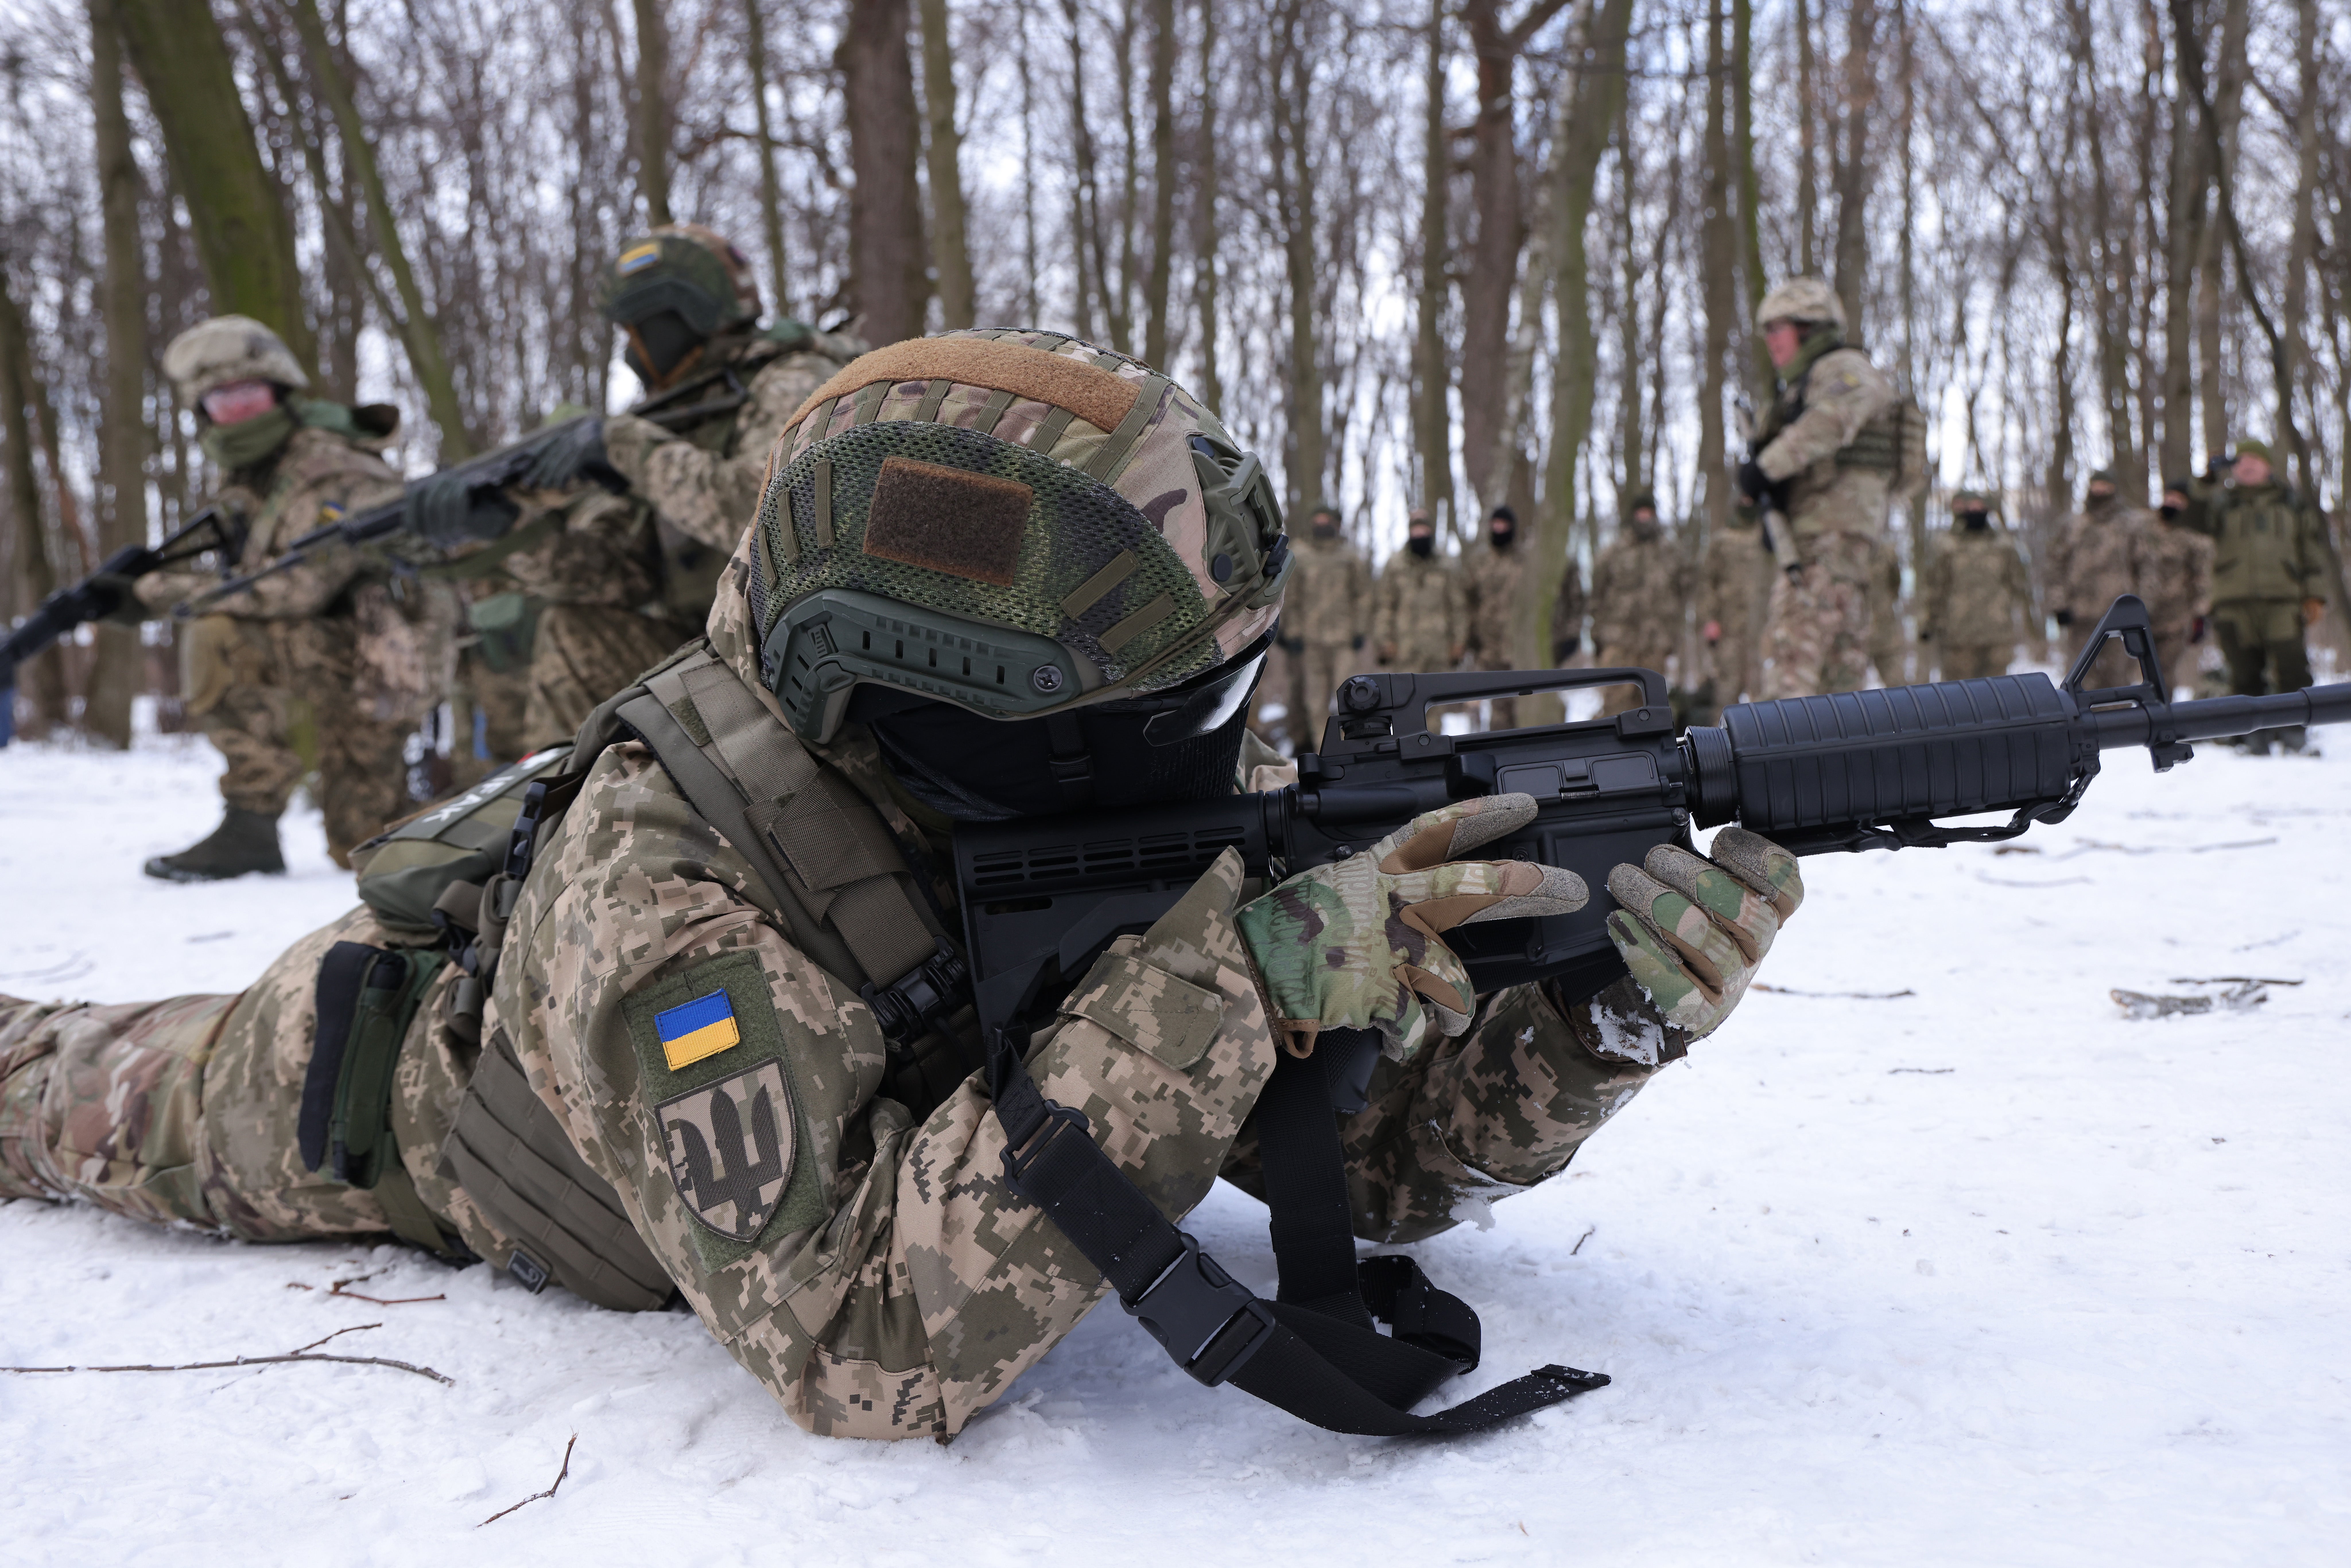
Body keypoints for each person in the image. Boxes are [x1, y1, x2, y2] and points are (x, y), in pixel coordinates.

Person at [0, 332, 1798, 1442]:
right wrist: (1229, 982)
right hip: (390, 1089)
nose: (1224, 752)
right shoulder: (659, 892)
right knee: (59, 1082)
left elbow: (1358, 1158)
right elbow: (865, 1337)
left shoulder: (1074, 753)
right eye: (1183, 713)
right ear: (973, 706)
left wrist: (1590, 1020)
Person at [123, 317, 427, 877]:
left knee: (364, 845)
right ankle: (251, 822)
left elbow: (300, 586)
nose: (239, 412)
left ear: (282, 393)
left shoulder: (336, 470)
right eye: (222, 401)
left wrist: (160, 591)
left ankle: (489, 804)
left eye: (249, 395)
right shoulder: (256, 478)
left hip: (384, 667)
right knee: (218, 630)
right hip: (334, 653)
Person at [1740, 277, 1900, 699]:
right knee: (1838, 695)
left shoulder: (1845, 369)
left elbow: (1835, 418)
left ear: (1810, 328)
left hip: (1826, 552)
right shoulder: (1802, 387)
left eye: (1778, 329)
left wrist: (1767, 468)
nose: (1770, 341)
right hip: (1825, 552)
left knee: (1789, 679)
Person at [2185, 439, 2333, 753]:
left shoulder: (2290, 502)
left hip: (2283, 600)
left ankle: (2294, 731)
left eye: (2254, 459)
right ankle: (2253, 736)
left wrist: (2315, 596)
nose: (2247, 465)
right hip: (2232, 602)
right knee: (2244, 672)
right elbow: (2191, 520)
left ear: (2268, 465)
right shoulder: (2222, 502)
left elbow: (2310, 551)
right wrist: (2205, 482)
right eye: (2240, 461)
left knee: (2293, 667)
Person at [2050, 467, 2172, 690]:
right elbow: (2056, 566)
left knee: (2118, 680)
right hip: (2080, 615)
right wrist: (2059, 604)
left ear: (2115, 489)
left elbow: (2148, 567)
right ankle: (2083, 724)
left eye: (2106, 486)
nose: (2101, 490)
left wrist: (2144, 606)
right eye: (2097, 486)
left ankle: (2117, 722)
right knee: (2079, 678)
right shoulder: (2073, 525)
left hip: (2120, 615)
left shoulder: (2132, 525)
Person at [1269, 502, 1372, 748]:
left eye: (1327, 521)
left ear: (1337, 525)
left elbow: (1364, 596)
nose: (1322, 526)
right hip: (1310, 642)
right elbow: (1289, 597)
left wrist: (1360, 630)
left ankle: (1350, 748)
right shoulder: (1300, 556)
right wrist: (1290, 632)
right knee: (1314, 701)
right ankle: (1323, 748)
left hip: (1343, 641)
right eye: (1318, 521)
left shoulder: (1350, 557)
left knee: (1349, 697)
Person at [1588, 491, 1691, 717]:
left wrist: (1673, 634)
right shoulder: (1613, 553)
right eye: (1640, 514)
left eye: (1649, 514)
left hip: (1655, 643)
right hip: (1619, 642)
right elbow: (1597, 596)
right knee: (1615, 704)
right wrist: (1598, 635)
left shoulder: (1671, 553)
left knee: (1651, 706)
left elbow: (1683, 593)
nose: (1644, 519)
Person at [1919, 491, 2033, 681]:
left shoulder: (2004, 545)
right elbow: (1934, 587)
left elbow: (2020, 585)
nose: (1975, 511)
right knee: (1958, 696)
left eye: (1980, 507)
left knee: (1997, 696)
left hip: (1997, 634)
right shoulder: (1947, 545)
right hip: (1958, 636)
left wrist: (2031, 625)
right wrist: (1927, 622)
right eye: (1971, 507)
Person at [1462, 505, 1534, 728]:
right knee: (1495, 712)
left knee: (1526, 709)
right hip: (1488, 649)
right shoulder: (1479, 563)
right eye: (1496, 525)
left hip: (1522, 648)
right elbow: (1467, 603)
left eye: (1504, 525)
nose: (1500, 529)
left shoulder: (1526, 562)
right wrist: (1469, 638)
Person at [1698, 500, 1771, 705]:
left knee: (1763, 690)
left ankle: (1765, 735)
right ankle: (1720, 736)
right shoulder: (1722, 541)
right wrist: (1710, 620)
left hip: (1761, 627)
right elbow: (1707, 582)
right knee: (1727, 689)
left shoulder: (1767, 538)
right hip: (1729, 628)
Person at [1375, 509, 1464, 675]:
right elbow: (1385, 606)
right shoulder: (1396, 565)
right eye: (1416, 530)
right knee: (1406, 698)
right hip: (1405, 650)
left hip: (1440, 650)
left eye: (1423, 530)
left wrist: (1459, 642)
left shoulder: (1446, 565)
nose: (1420, 534)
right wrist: (1385, 640)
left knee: (1440, 697)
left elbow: (1458, 606)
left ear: (1430, 531)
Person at [2149, 478, 2216, 692]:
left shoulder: (2195, 537)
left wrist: (2200, 615)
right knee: (2139, 676)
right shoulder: (2147, 530)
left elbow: (2203, 579)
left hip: (2176, 619)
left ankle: (2162, 721)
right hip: (2144, 613)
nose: (2172, 502)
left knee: (2163, 676)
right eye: (2169, 497)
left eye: (2178, 499)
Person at [1864, 532, 1908, 686]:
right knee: (1840, 696)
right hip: (1850, 637)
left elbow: (1896, 583)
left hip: (1885, 634)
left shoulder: (1886, 552)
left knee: (1901, 692)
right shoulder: (1835, 551)